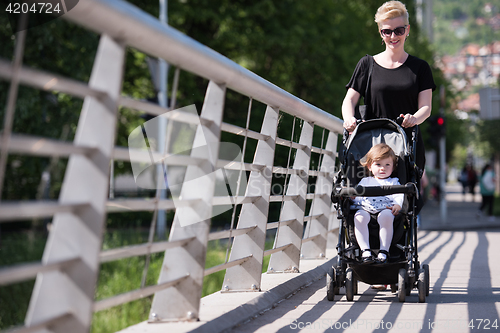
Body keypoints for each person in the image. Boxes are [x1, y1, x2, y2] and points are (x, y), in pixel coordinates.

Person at [342, 0, 436, 174]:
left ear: (407, 30)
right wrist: (349, 119)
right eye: (387, 31)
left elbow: (426, 107)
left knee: (402, 197)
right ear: (380, 33)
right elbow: (349, 99)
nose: (393, 37)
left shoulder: (420, 68)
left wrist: (414, 118)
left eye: (399, 30)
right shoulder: (366, 64)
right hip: (370, 149)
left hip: (405, 149)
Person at [351, 143, 404, 264]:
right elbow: (359, 199)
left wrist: (397, 205)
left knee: (386, 216)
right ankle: (365, 251)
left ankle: (384, 251)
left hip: (386, 208)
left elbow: (399, 195)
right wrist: (353, 197)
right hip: (365, 209)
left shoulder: (394, 182)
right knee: (359, 217)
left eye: (387, 165)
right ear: (369, 166)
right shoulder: (365, 181)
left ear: (393, 167)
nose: (382, 168)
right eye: (378, 164)